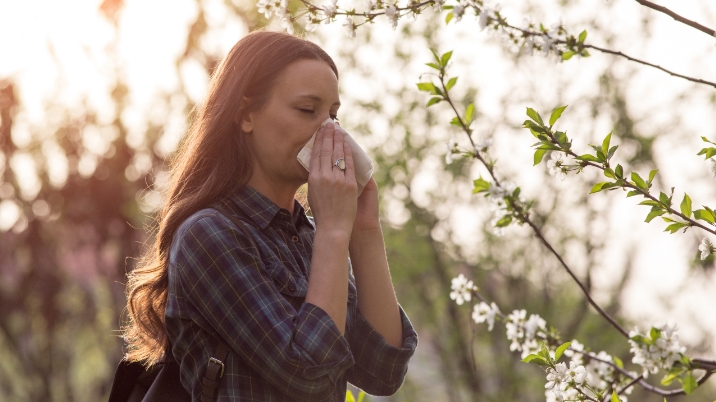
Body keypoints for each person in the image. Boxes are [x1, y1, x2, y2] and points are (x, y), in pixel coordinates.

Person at [122, 30, 418, 401]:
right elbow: (306, 372)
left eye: (334, 115)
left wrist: (364, 230)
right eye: (308, 110)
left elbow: (384, 371)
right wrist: (332, 234)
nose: (330, 131)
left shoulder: (310, 237)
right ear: (246, 114)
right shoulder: (210, 235)